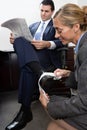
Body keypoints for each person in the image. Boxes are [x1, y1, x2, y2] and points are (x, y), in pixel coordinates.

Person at [5, 0, 64, 130]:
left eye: (46, 11)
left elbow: (62, 42)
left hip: (47, 60)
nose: (43, 14)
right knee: (19, 40)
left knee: (27, 69)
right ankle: (39, 73)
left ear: (52, 12)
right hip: (34, 62)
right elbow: (24, 47)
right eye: (41, 10)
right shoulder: (32, 26)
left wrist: (47, 44)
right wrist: (14, 41)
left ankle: (24, 112)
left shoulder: (56, 25)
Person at [39, 3, 87, 130]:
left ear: (76, 27)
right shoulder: (82, 45)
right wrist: (68, 74)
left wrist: (48, 106)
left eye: (59, 30)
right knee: (53, 127)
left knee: (52, 105)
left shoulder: (85, 49)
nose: (55, 35)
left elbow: (84, 102)